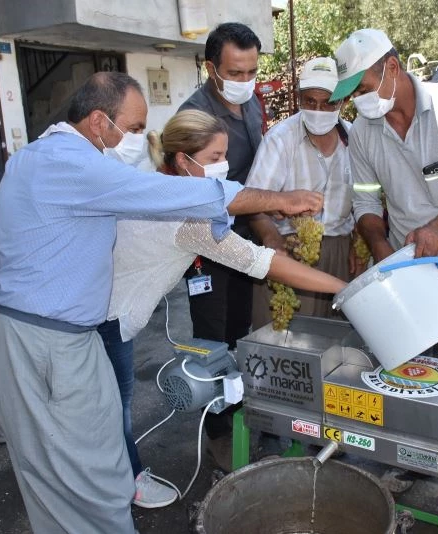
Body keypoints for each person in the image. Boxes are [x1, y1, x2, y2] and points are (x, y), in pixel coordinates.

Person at [0, 71, 323, 534]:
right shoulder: (74, 165)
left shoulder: (37, 156)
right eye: (136, 128)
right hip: (47, 340)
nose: (143, 139)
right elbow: (185, 198)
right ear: (100, 122)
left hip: (33, 329)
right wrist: (281, 199)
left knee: (60, 463)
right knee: (88, 473)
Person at [98, 110, 347, 508]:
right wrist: (343, 288)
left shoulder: (157, 185)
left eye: (224, 154)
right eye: (214, 157)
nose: (223, 166)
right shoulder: (188, 215)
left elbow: (231, 197)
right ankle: (123, 485)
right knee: (112, 411)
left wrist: (276, 206)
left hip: (111, 312)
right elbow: (261, 262)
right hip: (104, 319)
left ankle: (124, 477)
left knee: (112, 406)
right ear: (184, 161)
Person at [329, 29, 438, 491]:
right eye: (352, 96)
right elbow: (365, 203)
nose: (358, 103)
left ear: (391, 67)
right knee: (417, 370)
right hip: (407, 266)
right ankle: (416, 457)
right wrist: (380, 246)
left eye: (362, 90)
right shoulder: (364, 133)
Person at [177, 22, 264, 467]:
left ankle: (238, 409)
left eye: (251, 71)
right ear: (211, 68)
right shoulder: (195, 117)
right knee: (211, 337)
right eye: (236, 71)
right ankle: (216, 431)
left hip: (244, 236)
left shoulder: (252, 104)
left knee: (239, 331)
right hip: (205, 245)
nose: (245, 81)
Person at [246, 56, 361, 330]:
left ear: (342, 102)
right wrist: (272, 240)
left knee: (335, 339)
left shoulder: (355, 140)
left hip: (341, 252)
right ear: (299, 99)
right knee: (288, 341)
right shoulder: (281, 139)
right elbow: (252, 203)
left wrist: (358, 242)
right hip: (291, 251)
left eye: (328, 103)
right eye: (310, 101)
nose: (318, 110)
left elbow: (366, 198)